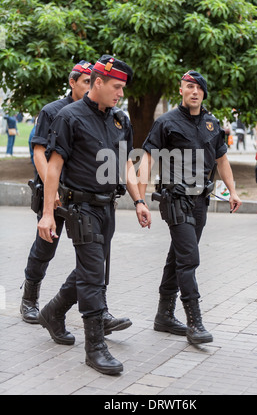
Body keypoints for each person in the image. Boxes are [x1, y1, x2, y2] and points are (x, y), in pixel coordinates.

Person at [37, 55, 151, 375]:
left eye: (123, 89)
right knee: (92, 274)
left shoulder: (120, 119)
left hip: (107, 207)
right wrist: (48, 214)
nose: (120, 94)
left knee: (92, 268)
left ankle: (53, 312)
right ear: (97, 83)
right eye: (116, 87)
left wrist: (139, 201)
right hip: (81, 207)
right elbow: (54, 168)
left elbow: (125, 164)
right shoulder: (69, 117)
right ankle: (95, 348)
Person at [21, 60, 132, 338]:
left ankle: (94, 310)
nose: (86, 86)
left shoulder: (105, 114)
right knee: (46, 248)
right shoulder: (55, 112)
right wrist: (54, 192)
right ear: (74, 83)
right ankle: (30, 299)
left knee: (94, 259)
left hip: (85, 199)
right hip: (55, 193)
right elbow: (41, 154)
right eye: (83, 81)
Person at [138, 70, 242, 346]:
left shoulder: (212, 123)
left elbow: (222, 160)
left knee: (178, 256)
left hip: (200, 201)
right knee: (189, 259)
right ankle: (195, 322)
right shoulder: (166, 122)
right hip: (175, 200)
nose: (194, 91)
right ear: (181, 90)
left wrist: (232, 190)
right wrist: (139, 196)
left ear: (204, 93)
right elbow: (147, 157)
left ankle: (163, 315)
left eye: (198, 88)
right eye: (189, 87)